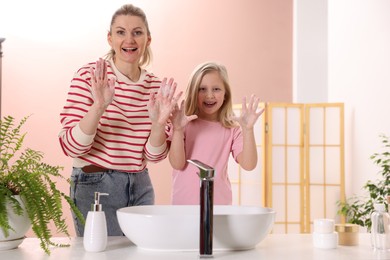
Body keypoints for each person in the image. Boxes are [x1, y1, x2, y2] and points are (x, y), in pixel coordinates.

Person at [58, 4, 181, 236]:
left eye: (137, 32)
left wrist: (158, 124)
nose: (129, 40)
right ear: (110, 38)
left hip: (140, 183)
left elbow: (154, 156)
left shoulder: (155, 86)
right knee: (103, 254)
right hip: (95, 183)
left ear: (148, 39)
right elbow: (71, 146)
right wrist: (99, 106)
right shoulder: (90, 76)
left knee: (141, 253)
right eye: (121, 32)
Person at [168, 61, 264, 205]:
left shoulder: (232, 129)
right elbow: (177, 163)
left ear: (226, 94)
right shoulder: (183, 124)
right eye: (202, 89)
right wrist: (178, 130)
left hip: (218, 207)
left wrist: (248, 130)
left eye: (216, 89)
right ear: (194, 92)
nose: (209, 95)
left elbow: (249, 165)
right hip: (184, 207)